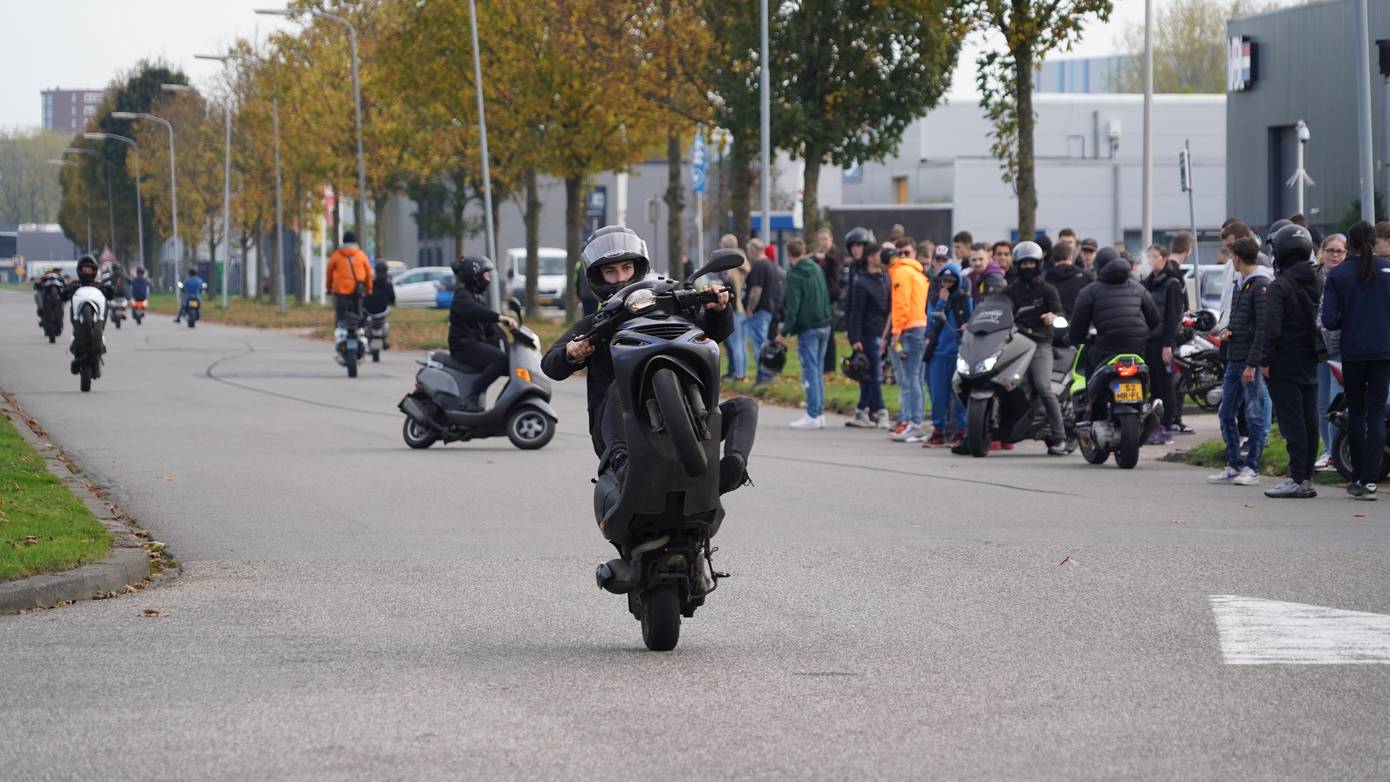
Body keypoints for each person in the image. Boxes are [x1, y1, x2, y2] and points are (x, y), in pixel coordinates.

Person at [540, 226, 755, 496]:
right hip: (618, 433)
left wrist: (718, 308)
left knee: (745, 406)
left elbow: (716, 332)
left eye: (626, 268)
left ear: (638, 267)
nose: (620, 278)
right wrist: (571, 353)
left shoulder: (669, 306)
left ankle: (733, 468)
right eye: (610, 271)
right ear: (597, 277)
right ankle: (622, 468)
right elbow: (550, 364)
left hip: (688, 420)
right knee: (618, 389)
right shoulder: (594, 324)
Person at [1321, 221, 1390, 500]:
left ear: (1349, 245)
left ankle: (1358, 476)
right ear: (1374, 243)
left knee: (1357, 414)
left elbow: (1329, 320)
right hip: (1384, 352)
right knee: (1376, 414)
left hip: (1353, 352)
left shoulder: (1338, 276)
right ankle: (1371, 479)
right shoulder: (1387, 271)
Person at [1252, 224, 1321, 499]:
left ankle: (1297, 478)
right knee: (1309, 417)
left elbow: (1272, 328)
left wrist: (1264, 360)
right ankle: (1306, 476)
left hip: (1285, 358)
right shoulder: (1318, 278)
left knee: (1292, 421)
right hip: (1311, 356)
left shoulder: (1280, 285)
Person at [1067, 247, 1160, 422]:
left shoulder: (1089, 292)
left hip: (1106, 349)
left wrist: (1079, 339)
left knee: (1088, 359)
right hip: (1136, 349)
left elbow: (1077, 331)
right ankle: (1146, 404)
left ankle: (1092, 408)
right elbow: (1155, 321)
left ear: (1098, 267)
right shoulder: (1138, 288)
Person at [1207, 237, 1272, 487]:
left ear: (1237, 258)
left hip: (1247, 362)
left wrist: (1253, 364)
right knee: (1226, 412)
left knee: (1254, 414)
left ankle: (1252, 467)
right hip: (1234, 356)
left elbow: (1262, 328)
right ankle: (1234, 464)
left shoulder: (1260, 285)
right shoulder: (1241, 284)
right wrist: (1228, 332)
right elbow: (1243, 321)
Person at [1003, 242, 1068, 455]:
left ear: (1038, 264)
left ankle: (1060, 436)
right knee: (1005, 383)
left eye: (1031, 262)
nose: (1027, 266)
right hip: (1016, 342)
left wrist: (1054, 317)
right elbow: (996, 309)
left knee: (1042, 386)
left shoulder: (1048, 289)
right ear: (1017, 265)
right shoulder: (1010, 290)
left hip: (1040, 343)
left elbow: (1061, 314)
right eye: (1024, 263)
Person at [447, 255, 516, 412]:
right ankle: (472, 396)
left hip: (475, 343)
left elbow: (489, 327)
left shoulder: (476, 296)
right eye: (486, 275)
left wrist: (510, 342)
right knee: (500, 361)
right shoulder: (462, 296)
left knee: (511, 362)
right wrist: (499, 317)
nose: (488, 279)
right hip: (464, 346)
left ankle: (507, 402)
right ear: (475, 275)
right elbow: (478, 312)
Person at [778, 238, 832, 429]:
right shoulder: (816, 268)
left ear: (788, 254)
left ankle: (812, 414)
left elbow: (793, 307)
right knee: (817, 370)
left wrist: (784, 332)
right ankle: (819, 413)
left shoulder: (795, 275)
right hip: (825, 323)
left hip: (808, 327)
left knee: (810, 370)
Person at [923, 262, 971, 446]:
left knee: (959, 395)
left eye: (951, 281)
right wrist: (942, 301)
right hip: (939, 353)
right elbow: (931, 322)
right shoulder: (936, 299)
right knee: (938, 395)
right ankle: (938, 430)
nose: (947, 285)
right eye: (944, 281)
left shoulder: (964, 298)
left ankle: (960, 430)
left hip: (958, 353)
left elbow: (971, 317)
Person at [846, 237, 891, 429]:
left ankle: (862, 409)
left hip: (882, 331)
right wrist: (855, 337)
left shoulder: (885, 277)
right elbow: (856, 311)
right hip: (868, 332)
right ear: (871, 258)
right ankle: (881, 411)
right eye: (879, 255)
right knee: (872, 373)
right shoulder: (861, 281)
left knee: (869, 373)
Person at [885, 242, 929, 442]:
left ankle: (914, 423)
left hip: (909, 328)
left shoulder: (900, 274)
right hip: (919, 325)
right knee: (916, 377)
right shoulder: (915, 272)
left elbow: (901, 303)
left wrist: (896, 331)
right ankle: (915, 422)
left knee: (910, 378)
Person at [1142, 244, 1185, 443]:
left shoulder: (1172, 283)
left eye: (1155, 256)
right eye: (1148, 256)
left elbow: (1174, 316)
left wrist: (1168, 343)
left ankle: (1167, 422)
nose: (1151, 260)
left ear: (1165, 258)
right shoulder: (1147, 283)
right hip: (1148, 339)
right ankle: (1154, 422)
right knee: (1152, 383)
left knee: (1165, 383)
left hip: (1162, 341)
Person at [1313, 233, 1347, 471]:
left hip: (1340, 350)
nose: (1335, 255)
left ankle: (1338, 452)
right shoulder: (1313, 278)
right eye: (1331, 250)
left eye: (1340, 251)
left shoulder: (1347, 277)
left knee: (1337, 402)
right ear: (1322, 251)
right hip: (1317, 349)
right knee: (1321, 403)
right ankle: (1327, 451)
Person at [744, 238, 783, 385]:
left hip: (760, 310)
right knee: (764, 343)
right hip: (769, 309)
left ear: (753, 251)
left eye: (749, 252)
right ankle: (767, 375)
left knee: (759, 345)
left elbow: (756, 290)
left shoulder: (759, 266)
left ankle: (764, 376)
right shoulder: (771, 265)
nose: (748, 255)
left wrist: (750, 308)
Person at [719, 234, 750, 382]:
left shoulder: (732, 268)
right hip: (743, 308)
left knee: (736, 343)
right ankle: (741, 372)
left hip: (736, 308)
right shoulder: (743, 264)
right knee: (741, 343)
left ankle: (739, 374)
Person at [813, 227, 844, 376]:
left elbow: (836, 265)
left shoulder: (834, 255)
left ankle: (830, 367)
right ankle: (823, 365)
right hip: (820, 298)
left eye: (825, 239)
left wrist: (824, 258)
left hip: (830, 297)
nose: (823, 242)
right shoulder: (820, 256)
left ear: (831, 239)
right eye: (821, 239)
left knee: (829, 334)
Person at [325, 231, 373, 325]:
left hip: (341, 291)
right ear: (355, 241)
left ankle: (339, 332)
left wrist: (329, 288)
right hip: (357, 290)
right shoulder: (361, 255)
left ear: (343, 241)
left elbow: (329, 272)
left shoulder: (337, 255)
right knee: (358, 313)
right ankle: (360, 332)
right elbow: (368, 273)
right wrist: (369, 289)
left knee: (340, 315)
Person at [1045, 240, 1092, 318]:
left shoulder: (1047, 278)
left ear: (1053, 259)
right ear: (1070, 257)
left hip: (1056, 323)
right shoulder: (1085, 276)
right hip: (1082, 322)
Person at [362, 261, 397, 348]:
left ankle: (365, 337)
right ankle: (384, 340)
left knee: (363, 321)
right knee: (384, 321)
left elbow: (365, 294)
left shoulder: (370, 281)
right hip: (382, 309)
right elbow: (392, 297)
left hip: (368, 309)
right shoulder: (388, 283)